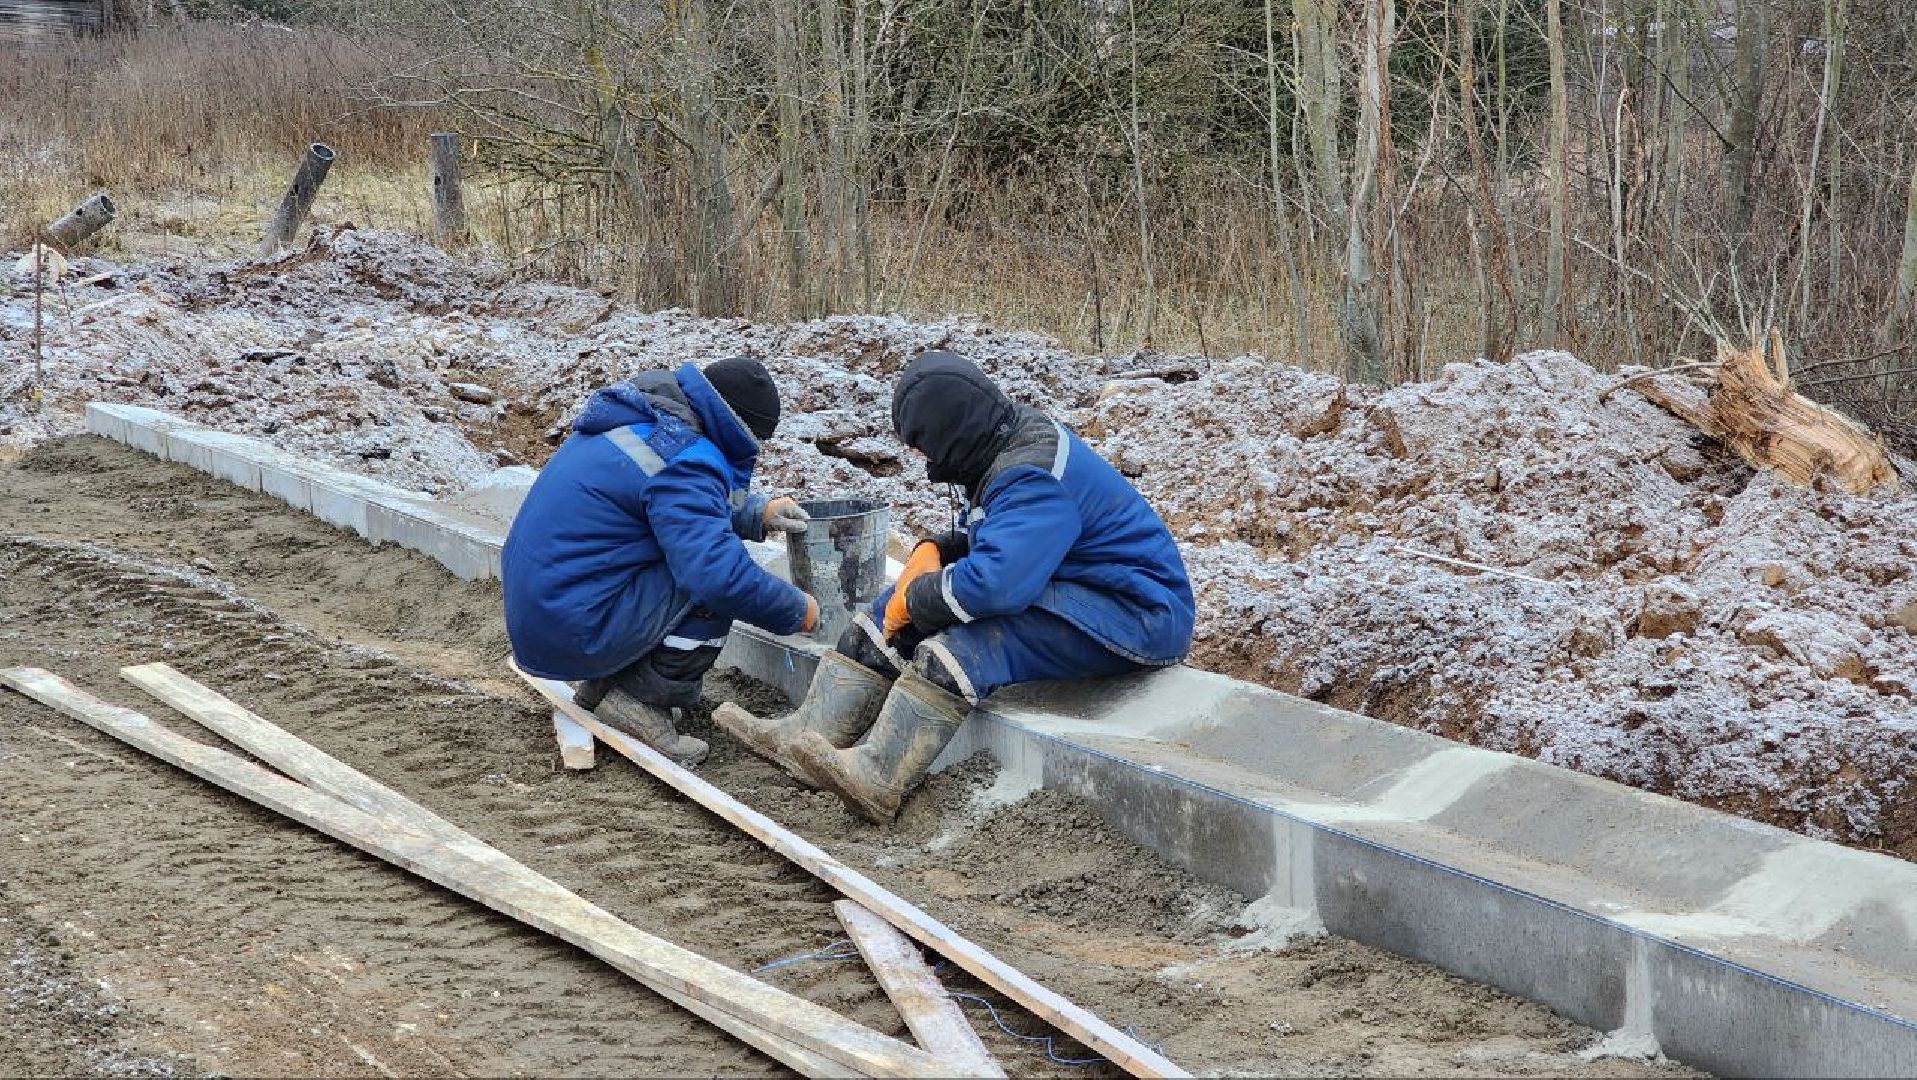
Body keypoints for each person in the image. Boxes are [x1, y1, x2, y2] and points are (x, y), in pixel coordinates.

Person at [718, 350, 1194, 821]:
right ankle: (810, 731)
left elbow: (996, 587)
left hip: (1136, 613)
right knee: (894, 608)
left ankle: (879, 775)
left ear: (951, 435)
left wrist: (923, 595)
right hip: (1074, 583)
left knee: (966, 645)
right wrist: (939, 550)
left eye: (926, 448)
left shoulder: (1032, 476)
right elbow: (1006, 538)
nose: (926, 461)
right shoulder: (1002, 443)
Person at [502, 357, 817, 767]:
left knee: (695, 559)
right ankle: (642, 704)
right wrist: (797, 610)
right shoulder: (686, 458)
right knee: (715, 584)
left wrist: (755, 512)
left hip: (548, 607)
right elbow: (716, 574)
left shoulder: (646, 421)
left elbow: (661, 500)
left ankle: (608, 685)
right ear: (739, 431)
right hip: (573, 622)